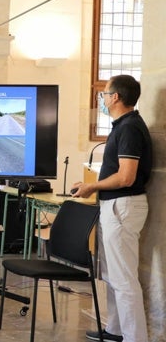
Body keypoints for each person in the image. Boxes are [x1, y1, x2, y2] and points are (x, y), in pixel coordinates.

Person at [72, 75, 152, 342]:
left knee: (124, 278)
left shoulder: (129, 128)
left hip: (123, 206)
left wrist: (92, 187)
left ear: (116, 97)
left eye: (104, 94)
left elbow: (126, 177)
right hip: (114, 205)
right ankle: (116, 330)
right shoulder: (124, 126)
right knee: (112, 275)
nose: (103, 99)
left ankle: (134, 337)